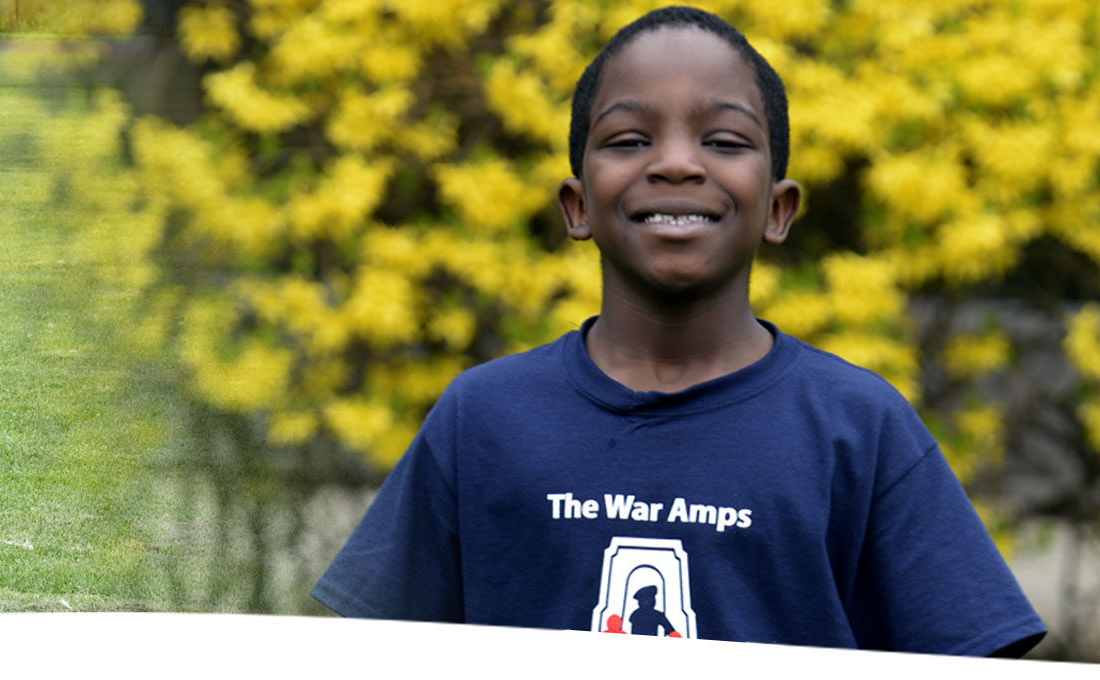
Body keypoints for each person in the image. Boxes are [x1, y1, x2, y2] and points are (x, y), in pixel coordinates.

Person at [308, 6, 1046, 657]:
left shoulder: (860, 428)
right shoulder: (483, 419)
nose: (675, 164)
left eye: (724, 142)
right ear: (577, 205)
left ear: (779, 208)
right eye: (629, 140)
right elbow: (369, 652)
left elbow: (971, 651)